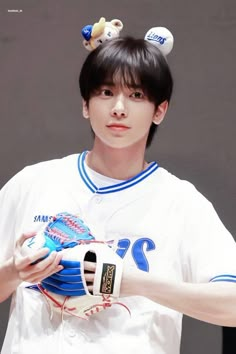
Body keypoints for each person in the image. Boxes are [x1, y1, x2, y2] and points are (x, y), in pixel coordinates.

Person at [0, 35, 236, 354]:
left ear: (159, 110)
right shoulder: (33, 182)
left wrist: (131, 282)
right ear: (86, 104)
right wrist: (15, 271)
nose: (119, 108)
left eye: (136, 94)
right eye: (106, 92)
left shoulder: (181, 202)